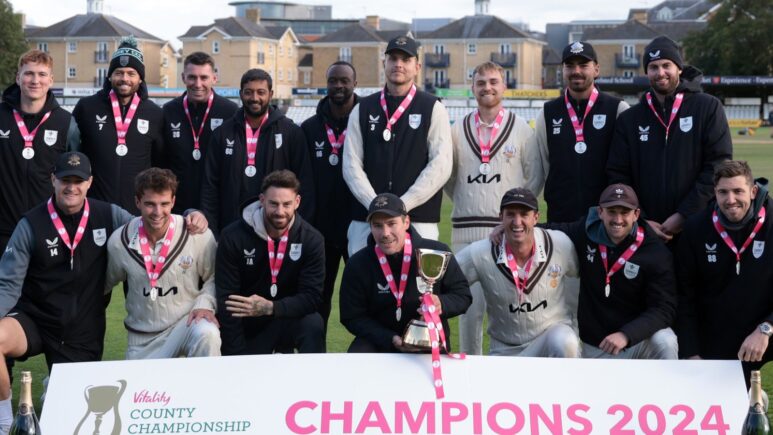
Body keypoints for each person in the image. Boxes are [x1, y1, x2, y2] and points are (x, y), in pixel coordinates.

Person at [444, 61, 538, 355]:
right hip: (465, 232)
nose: (487, 87)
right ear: (473, 87)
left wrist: (513, 219)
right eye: (481, 82)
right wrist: (467, 200)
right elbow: (449, 178)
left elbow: (534, 177)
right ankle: (470, 371)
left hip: (510, 235)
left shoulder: (521, 129)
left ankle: (510, 371)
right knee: (468, 312)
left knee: (511, 312)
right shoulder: (457, 129)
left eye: (493, 81)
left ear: (504, 86)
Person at [607, 36, 732, 244]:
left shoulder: (708, 107)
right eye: (653, 67)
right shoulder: (629, 119)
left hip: (698, 226)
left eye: (667, 65)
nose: (660, 72)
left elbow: (718, 165)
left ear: (679, 68)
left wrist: (684, 214)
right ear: (646, 72)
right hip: (645, 231)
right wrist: (641, 218)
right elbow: (618, 174)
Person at [343, 36, 452, 256]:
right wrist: (376, 205)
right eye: (393, 58)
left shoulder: (433, 107)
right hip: (367, 219)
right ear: (384, 63)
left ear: (417, 67)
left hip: (418, 218)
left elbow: (441, 165)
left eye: (405, 59)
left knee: (419, 277)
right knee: (364, 277)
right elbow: (351, 165)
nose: (398, 64)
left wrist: (403, 206)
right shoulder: (363, 109)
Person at [546, 184, 678, 359]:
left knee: (666, 340)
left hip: (638, 341)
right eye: (612, 212)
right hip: (599, 344)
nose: (618, 219)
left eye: (624, 212)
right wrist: (516, 229)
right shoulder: (585, 232)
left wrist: (627, 335)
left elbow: (664, 308)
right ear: (600, 212)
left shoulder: (655, 251)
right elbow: (551, 229)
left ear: (636, 214)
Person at [104, 168, 220, 359]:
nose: (158, 212)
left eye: (164, 204)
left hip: (186, 323)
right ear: (137, 202)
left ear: (173, 201)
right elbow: (103, 284)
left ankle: (204, 380)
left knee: (208, 334)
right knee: (140, 381)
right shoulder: (120, 241)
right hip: (143, 336)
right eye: (150, 204)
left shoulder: (196, 233)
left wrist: (205, 304)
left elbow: (215, 275)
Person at [677, 160, 773, 385]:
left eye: (738, 191)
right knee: (725, 397)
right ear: (715, 193)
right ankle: (752, 396)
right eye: (723, 192)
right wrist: (691, 352)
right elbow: (685, 295)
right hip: (720, 333)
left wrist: (766, 328)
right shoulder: (696, 228)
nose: (730, 200)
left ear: (753, 191)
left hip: (767, 326)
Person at [339, 193, 471, 353]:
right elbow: (352, 316)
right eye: (378, 225)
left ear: (406, 222)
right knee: (357, 356)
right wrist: (389, 338)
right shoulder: (358, 263)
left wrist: (441, 304)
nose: (385, 233)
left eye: (391, 224)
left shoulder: (436, 252)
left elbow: (463, 295)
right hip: (378, 341)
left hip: (428, 339)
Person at [457, 188, 580, 357]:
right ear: (501, 217)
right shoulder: (481, 252)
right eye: (510, 214)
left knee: (566, 342)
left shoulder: (559, 244)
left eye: (524, 214)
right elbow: (446, 275)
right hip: (504, 348)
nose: (517, 221)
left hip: (549, 338)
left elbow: (586, 272)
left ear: (536, 217)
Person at [216, 170, 325, 354]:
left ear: (297, 202)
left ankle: (311, 373)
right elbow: (228, 301)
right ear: (262, 200)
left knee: (313, 323)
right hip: (248, 325)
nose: (280, 212)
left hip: (286, 317)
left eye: (287, 204)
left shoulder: (312, 240)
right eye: (273, 203)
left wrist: (272, 308)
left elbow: (312, 298)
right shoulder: (232, 236)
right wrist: (238, 356)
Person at [201, 69, 315, 235]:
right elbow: (210, 185)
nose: (254, 98)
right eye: (249, 92)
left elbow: (305, 184)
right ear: (241, 94)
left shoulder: (291, 132)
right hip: (232, 230)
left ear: (270, 94)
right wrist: (212, 230)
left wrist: (296, 232)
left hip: (277, 230)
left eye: (261, 92)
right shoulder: (222, 133)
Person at [530, 41, 628, 224]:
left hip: (605, 221)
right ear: (563, 70)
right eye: (570, 66)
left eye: (583, 65)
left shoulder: (618, 109)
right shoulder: (547, 112)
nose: (576, 71)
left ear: (596, 69)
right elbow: (540, 170)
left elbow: (627, 168)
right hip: (560, 219)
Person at [73, 36, 164, 213]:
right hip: (94, 208)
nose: (124, 78)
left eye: (131, 73)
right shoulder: (87, 107)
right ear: (109, 76)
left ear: (140, 78)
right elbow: (74, 151)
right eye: (119, 73)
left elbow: (159, 161)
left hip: (137, 211)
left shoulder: (155, 113)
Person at [300, 61, 358, 337]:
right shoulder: (309, 128)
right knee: (318, 298)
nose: (338, 86)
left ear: (355, 84)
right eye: (333, 80)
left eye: (344, 80)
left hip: (358, 225)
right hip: (319, 229)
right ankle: (315, 353)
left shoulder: (365, 123)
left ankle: (369, 351)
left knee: (362, 296)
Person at [0, 49, 78, 254]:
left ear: (51, 80)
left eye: (42, 74)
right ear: (18, 78)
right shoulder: (1, 116)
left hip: (48, 228)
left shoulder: (66, 123)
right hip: (4, 229)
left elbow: (74, 177)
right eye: (29, 73)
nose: (35, 80)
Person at [162, 51, 238, 214]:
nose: (198, 84)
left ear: (214, 78)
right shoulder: (169, 111)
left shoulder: (230, 112)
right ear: (183, 77)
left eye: (204, 77)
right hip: (177, 205)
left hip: (217, 205)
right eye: (192, 77)